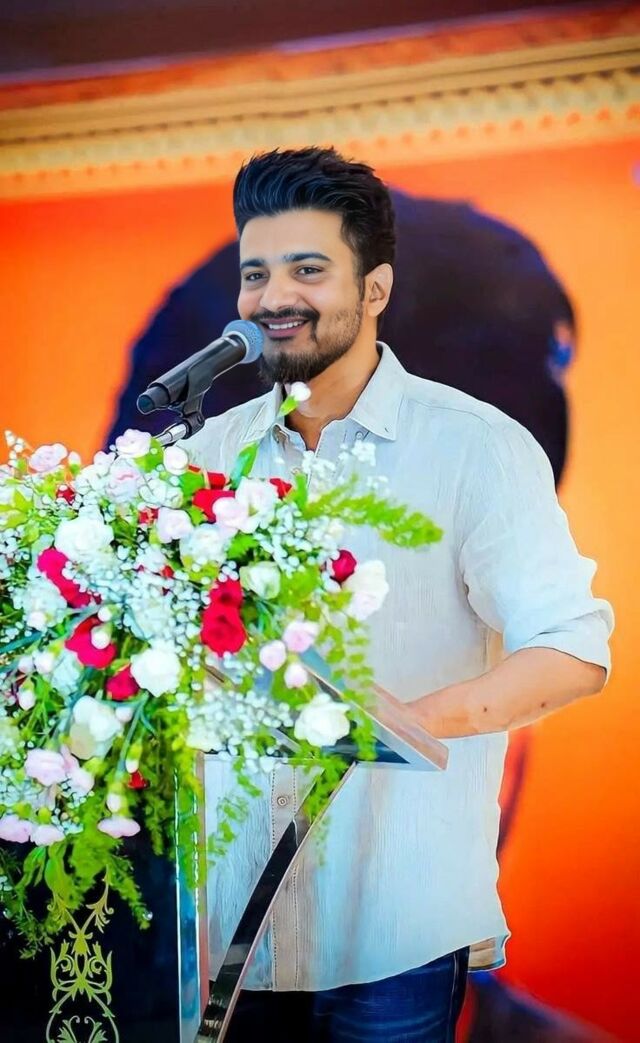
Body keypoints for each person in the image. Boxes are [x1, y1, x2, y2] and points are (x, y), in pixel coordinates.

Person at [183, 147, 613, 1043]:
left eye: (308, 269)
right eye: (256, 273)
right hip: (230, 929)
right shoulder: (202, 456)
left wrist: (404, 722)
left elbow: (572, 650)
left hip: (396, 928)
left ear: (375, 288)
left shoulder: (475, 447)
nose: (273, 296)